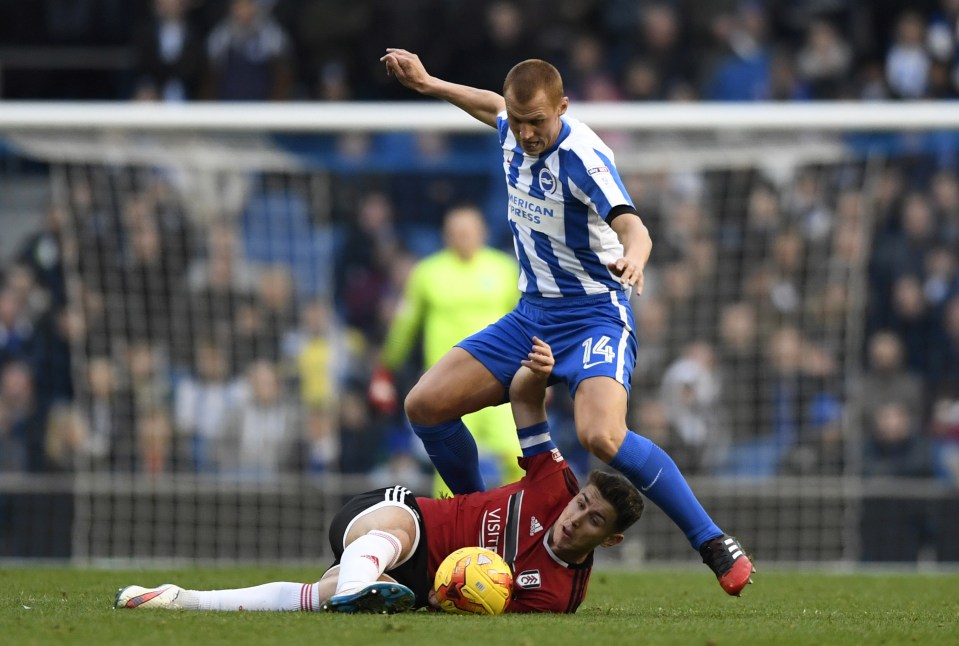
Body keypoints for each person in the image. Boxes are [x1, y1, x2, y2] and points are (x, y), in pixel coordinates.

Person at [378, 48, 753, 595]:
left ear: (563, 109)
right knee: (425, 406)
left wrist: (636, 259)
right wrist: (431, 82)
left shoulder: (585, 156)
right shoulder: (511, 123)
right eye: (520, 120)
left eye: (537, 122)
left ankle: (712, 541)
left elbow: (635, 226)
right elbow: (492, 108)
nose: (527, 133)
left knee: (601, 434)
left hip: (594, 314)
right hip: (532, 315)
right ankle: (480, 541)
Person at [114, 338, 644, 614]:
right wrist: (539, 370)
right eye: (582, 504)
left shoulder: (559, 597)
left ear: (611, 539)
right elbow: (525, 398)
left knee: (310, 598)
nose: (576, 517)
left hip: (413, 586)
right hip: (399, 515)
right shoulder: (555, 484)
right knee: (397, 530)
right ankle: (358, 582)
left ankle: (181, 598)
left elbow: (492, 608)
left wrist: (450, 601)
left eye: (593, 519)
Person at [371, 204, 522, 495]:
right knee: (452, 467)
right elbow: (405, 324)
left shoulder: (504, 270)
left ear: (483, 232)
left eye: (469, 231)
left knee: (520, 455)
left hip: (499, 382)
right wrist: (386, 365)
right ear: (446, 236)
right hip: (449, 385)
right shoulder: (428, 273)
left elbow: (526, 323)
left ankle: (509, 522)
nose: (463, 237)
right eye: (456, 232)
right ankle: (452, 535)